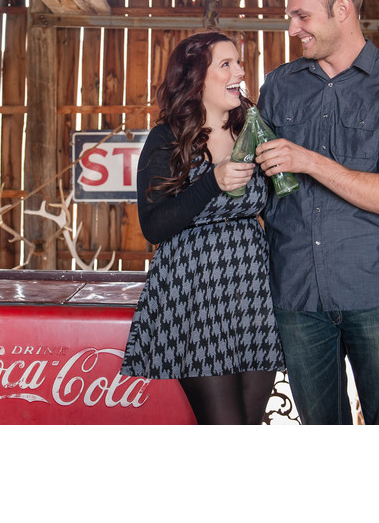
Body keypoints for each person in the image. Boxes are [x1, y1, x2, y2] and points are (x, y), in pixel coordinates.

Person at [255, 0, 379, 425]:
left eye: (302, 16)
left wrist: (309, 161)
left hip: (372, 292)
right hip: (295, 295)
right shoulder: (278, 86)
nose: (293, 28)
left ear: (342, 10)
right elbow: (255, 184)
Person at [120, 31, 286, 425]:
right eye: (225, 64)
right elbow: (154, 226)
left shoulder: (255, 131)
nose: (239, 71)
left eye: (239, 62)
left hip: (252, 297)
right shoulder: (167, 139)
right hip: (195, 298)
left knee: (248, 423)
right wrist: (213, 180)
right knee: (223, 427)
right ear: (196, 78)